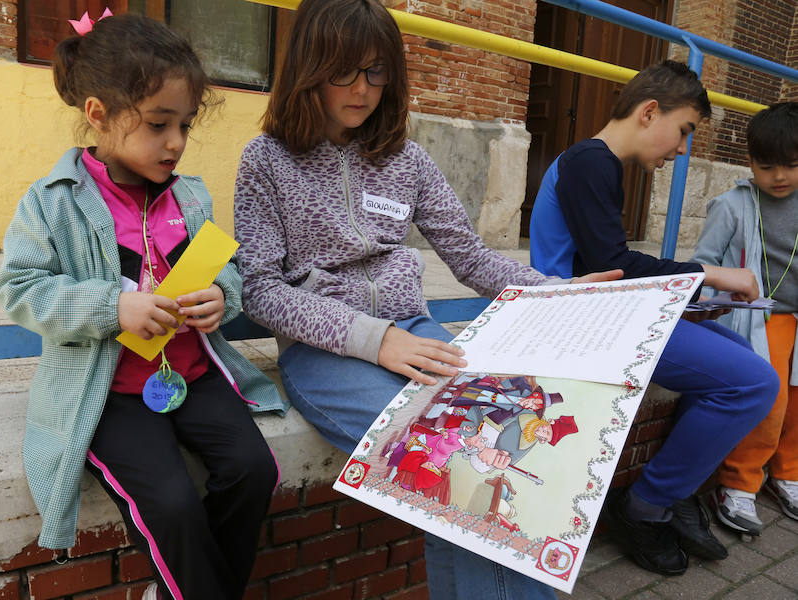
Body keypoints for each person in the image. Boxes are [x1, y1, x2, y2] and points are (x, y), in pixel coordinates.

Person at [233, 0, 618, 597]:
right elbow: (259, 289)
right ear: (309, 67)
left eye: (378, 72)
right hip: (324, 353)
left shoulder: (406, 159)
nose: (364, 90)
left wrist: (560, 292)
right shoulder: (266, 160)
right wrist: (375, 340)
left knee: (505, 454)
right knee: (450, 462)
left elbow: (470, 257)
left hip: (417, 332)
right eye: (345, 71)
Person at [0, 13, 284, 600]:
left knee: (256, 472)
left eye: (184, 124)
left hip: (192, 375)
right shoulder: (53, 203)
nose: (175, 142)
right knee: (173, 505)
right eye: (157, 124)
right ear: (98, 113)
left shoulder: (190, 195)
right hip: (110, 391)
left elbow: (226, 265)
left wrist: (221, 295)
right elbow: (20, 290)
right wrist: (113, 306)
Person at [529, 60, 779, 575]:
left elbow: (610, 264)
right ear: (649, 112)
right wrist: (713, 274)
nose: (682, 148)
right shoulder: (589, 162)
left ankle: (678, 488)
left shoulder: (598, 163)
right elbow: (612, 266)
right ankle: (646, 506)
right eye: (684, 130)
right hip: (582, 322)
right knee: (753, 382)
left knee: (743, 360)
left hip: (610, 311)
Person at [690, 102, 798, 536]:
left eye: (791, 166)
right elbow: (700, 266)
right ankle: (738, 482)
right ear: (749, 161)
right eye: (766, 166)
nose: (778, 176)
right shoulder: (732, 206)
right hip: (760, 320)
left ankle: (788, 472)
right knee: (770, 403)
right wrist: (723, 292)